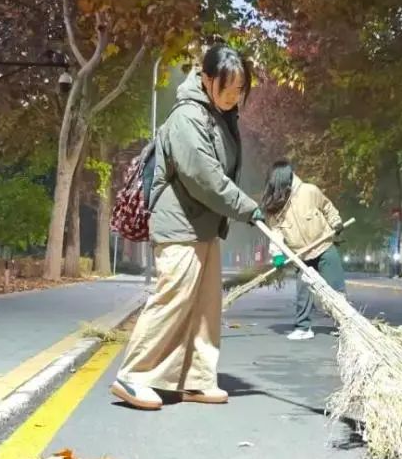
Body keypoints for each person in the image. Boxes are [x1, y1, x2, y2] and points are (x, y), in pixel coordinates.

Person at [110, 45, 264, 410]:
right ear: (207, 79)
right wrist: (247, 207)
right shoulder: (188, 117)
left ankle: (195, 379)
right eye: (226, 88)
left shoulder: (221, 115)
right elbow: (203, 177)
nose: (233, 96)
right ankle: (134, 376)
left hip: (204, 226)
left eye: (240, 89)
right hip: (179, 225)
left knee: (205, 307)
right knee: (173, 298)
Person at [261, 160, 346, 341]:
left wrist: (336, 222)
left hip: (324, 247)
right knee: (303, 292)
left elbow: (327, 207)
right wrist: (277, 255)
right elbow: (275, 234)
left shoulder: (309, 191)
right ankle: (303, 327)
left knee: (336, 290)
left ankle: (345, 326)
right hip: (301, 255)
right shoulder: (275, 206)